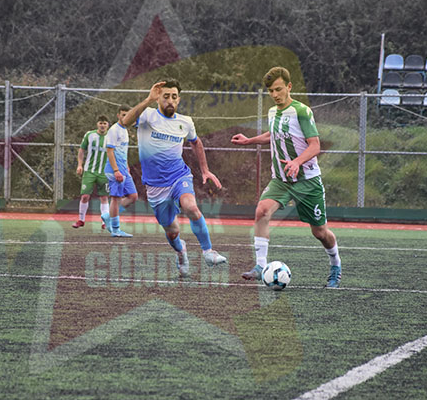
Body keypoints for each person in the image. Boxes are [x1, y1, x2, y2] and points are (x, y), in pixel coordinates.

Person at [231, 66, 342, 288]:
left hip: (307, 181)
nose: (275, 94)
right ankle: (260, 266)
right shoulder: (273, 112)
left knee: (320, 232)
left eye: (278, 89)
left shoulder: (302, 111)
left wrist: (297, 162)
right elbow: (273, 134)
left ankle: (335, 265)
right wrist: (249, 141)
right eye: (271, 91)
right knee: (262, 211)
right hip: (281, 180)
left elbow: (315, 145)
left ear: (289, 87)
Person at [121, 79, 226, 277]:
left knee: (191, 207)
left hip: (179, 175)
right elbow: (125, 122)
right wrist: (148, 99)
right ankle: (181, 252)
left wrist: (205, 170)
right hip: (155, 186)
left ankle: (208, 252)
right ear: (159, 98)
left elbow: (196, 142)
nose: (170, 100)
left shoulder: (185, 122)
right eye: (166, 96)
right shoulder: (147, 115)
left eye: (174, 97)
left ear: (179, 100)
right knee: (172, 231)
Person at [101, 105, 138, 237]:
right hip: (115, 170)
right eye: (123, 115)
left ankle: (108, 216)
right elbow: (110, 151)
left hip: (123, 169)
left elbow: (122, 150)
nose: (125, 117)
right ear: (118, 115)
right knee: (116, 199)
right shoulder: (114, 130)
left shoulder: (125, 130)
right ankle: (115, 229)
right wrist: (116, 170)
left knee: (133, 196)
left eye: (128, 115)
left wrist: (126, 166)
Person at [73, 115, 111, 229]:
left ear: (108, 125)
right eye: (100, 123)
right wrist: (80, 165)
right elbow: (81, 150)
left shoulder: (111, 137)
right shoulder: (90, 135)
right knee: (85, 196)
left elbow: (117, 153)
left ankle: (104, 222)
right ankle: (81, 220)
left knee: (104, 197)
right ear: (97, 124)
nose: (102, 125)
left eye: (104, 123)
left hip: (104, 172)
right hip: (89, 171)